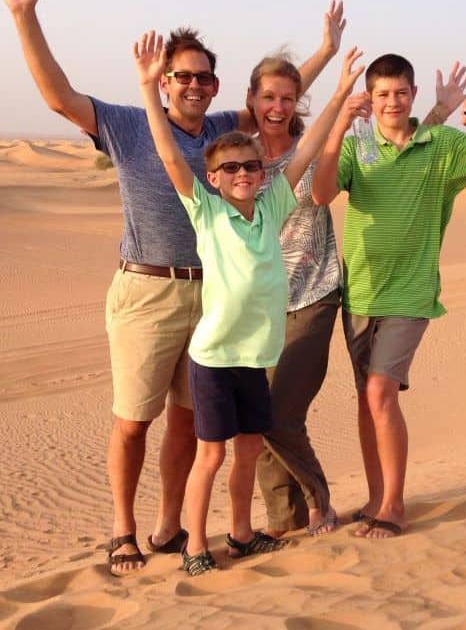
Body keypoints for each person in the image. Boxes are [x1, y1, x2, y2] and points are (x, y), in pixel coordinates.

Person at [0, 0, 346, 574]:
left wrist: (322, 55)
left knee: (190, 424)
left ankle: (168, 527)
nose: (193, 85)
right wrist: (24, 16)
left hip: (212, 300)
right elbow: (57, 96)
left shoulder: (222, 132)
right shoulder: (129, 123)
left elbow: (280, 101)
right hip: (148, 290)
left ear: (214, 85)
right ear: (163, 80)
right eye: (182, 75)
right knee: (133, 421)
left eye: (203, 77)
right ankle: (123, 530)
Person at [132, 29, 364, 574]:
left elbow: (303, 150)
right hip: (214, 358)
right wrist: (148, 89)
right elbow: (169, 155)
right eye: (230, 169)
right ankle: (194, 544)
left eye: (250, 168)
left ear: (264, 176)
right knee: (210, 455)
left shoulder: (273, 203)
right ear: (212, 178)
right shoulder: (207, 213)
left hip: (255, 357)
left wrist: (339, 92)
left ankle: (240, 535)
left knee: (248, 450)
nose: (242, 175)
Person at [248, 58, 466, 537]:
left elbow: (404, 151)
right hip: (297, 298)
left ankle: (359, 506)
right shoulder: (242, 154)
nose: (277, 107)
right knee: (306, 408)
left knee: (344, 400)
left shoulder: (331, 143)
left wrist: (441, 114)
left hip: (327, 293)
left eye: (287, 100)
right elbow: (378, 156)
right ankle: (306, 516)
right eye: (268, 98)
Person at [311, 53, 466, 539]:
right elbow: (321, 194)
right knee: (367, 400)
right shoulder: (356, 147)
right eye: (382, 94)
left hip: (411, 294)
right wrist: (339, 129)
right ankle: (373, 496)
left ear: (413, 95)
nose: (391, 102)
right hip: (359, 292)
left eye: (400, 93)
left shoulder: (442, 144)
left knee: (382, 392)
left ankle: (394, 505)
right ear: (371, 96)